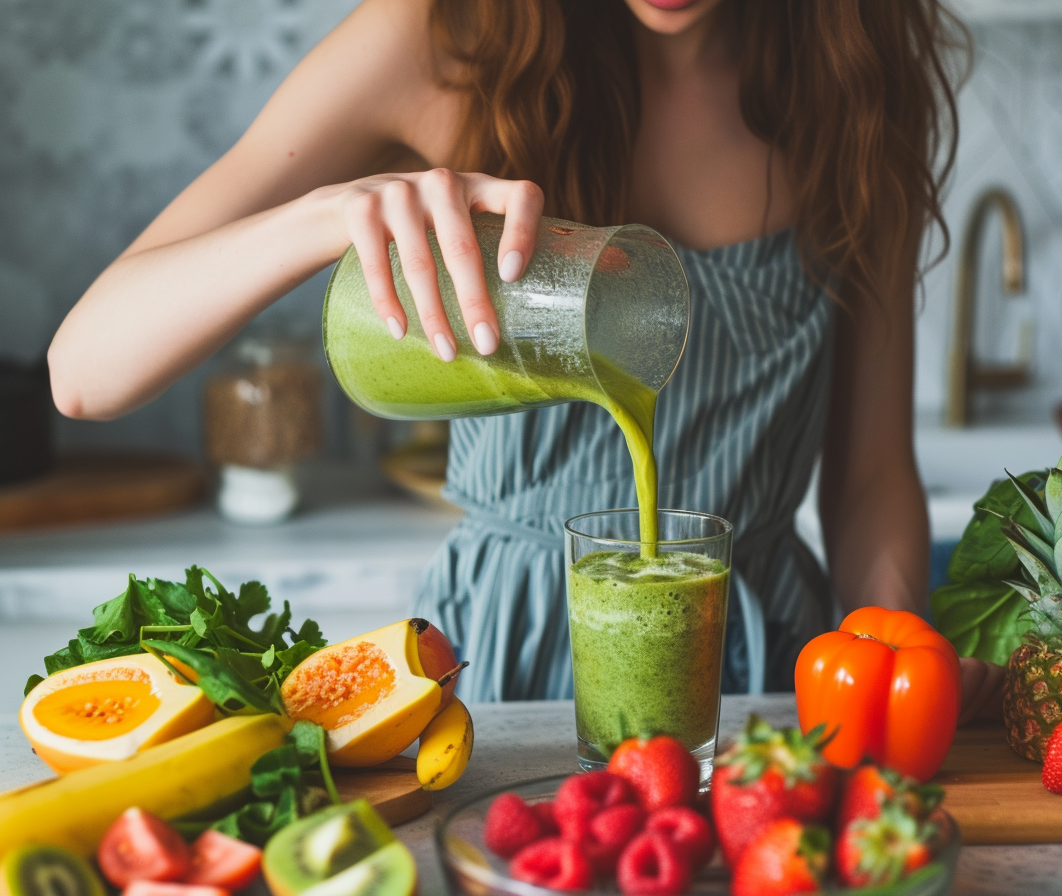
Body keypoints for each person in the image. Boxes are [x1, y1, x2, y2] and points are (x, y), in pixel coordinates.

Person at [48, 0, 1005, 718]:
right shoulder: (442, 41)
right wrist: (323, 218)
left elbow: (872, 473)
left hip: (761, 669)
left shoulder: (856, 76)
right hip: (502, 666)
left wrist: (896, 665)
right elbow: (87, 370)